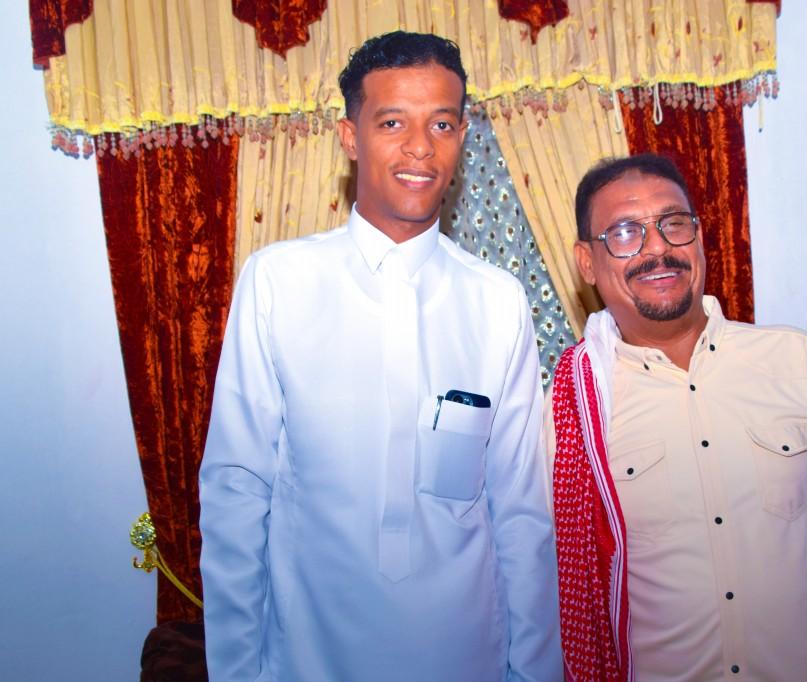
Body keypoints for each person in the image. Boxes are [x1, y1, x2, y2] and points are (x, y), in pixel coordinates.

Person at [199, 31, 561, 682]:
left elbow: (520, 512)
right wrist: (235, 671)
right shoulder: (279, 281)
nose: (420, 147)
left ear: (462, 136)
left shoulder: (496, 300)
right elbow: (236, 489)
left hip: (466, 657)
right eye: (392, 122)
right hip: (308, 658)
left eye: (441, 124)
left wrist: (533, 671)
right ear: (350, 136)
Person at [547, 153, 807, 681]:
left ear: (699, 239)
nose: (657, 248)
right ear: (587, 263)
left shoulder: (802, 365)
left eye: (673, 223)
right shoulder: (573, 416)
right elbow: (556, 585)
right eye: (625, 232)